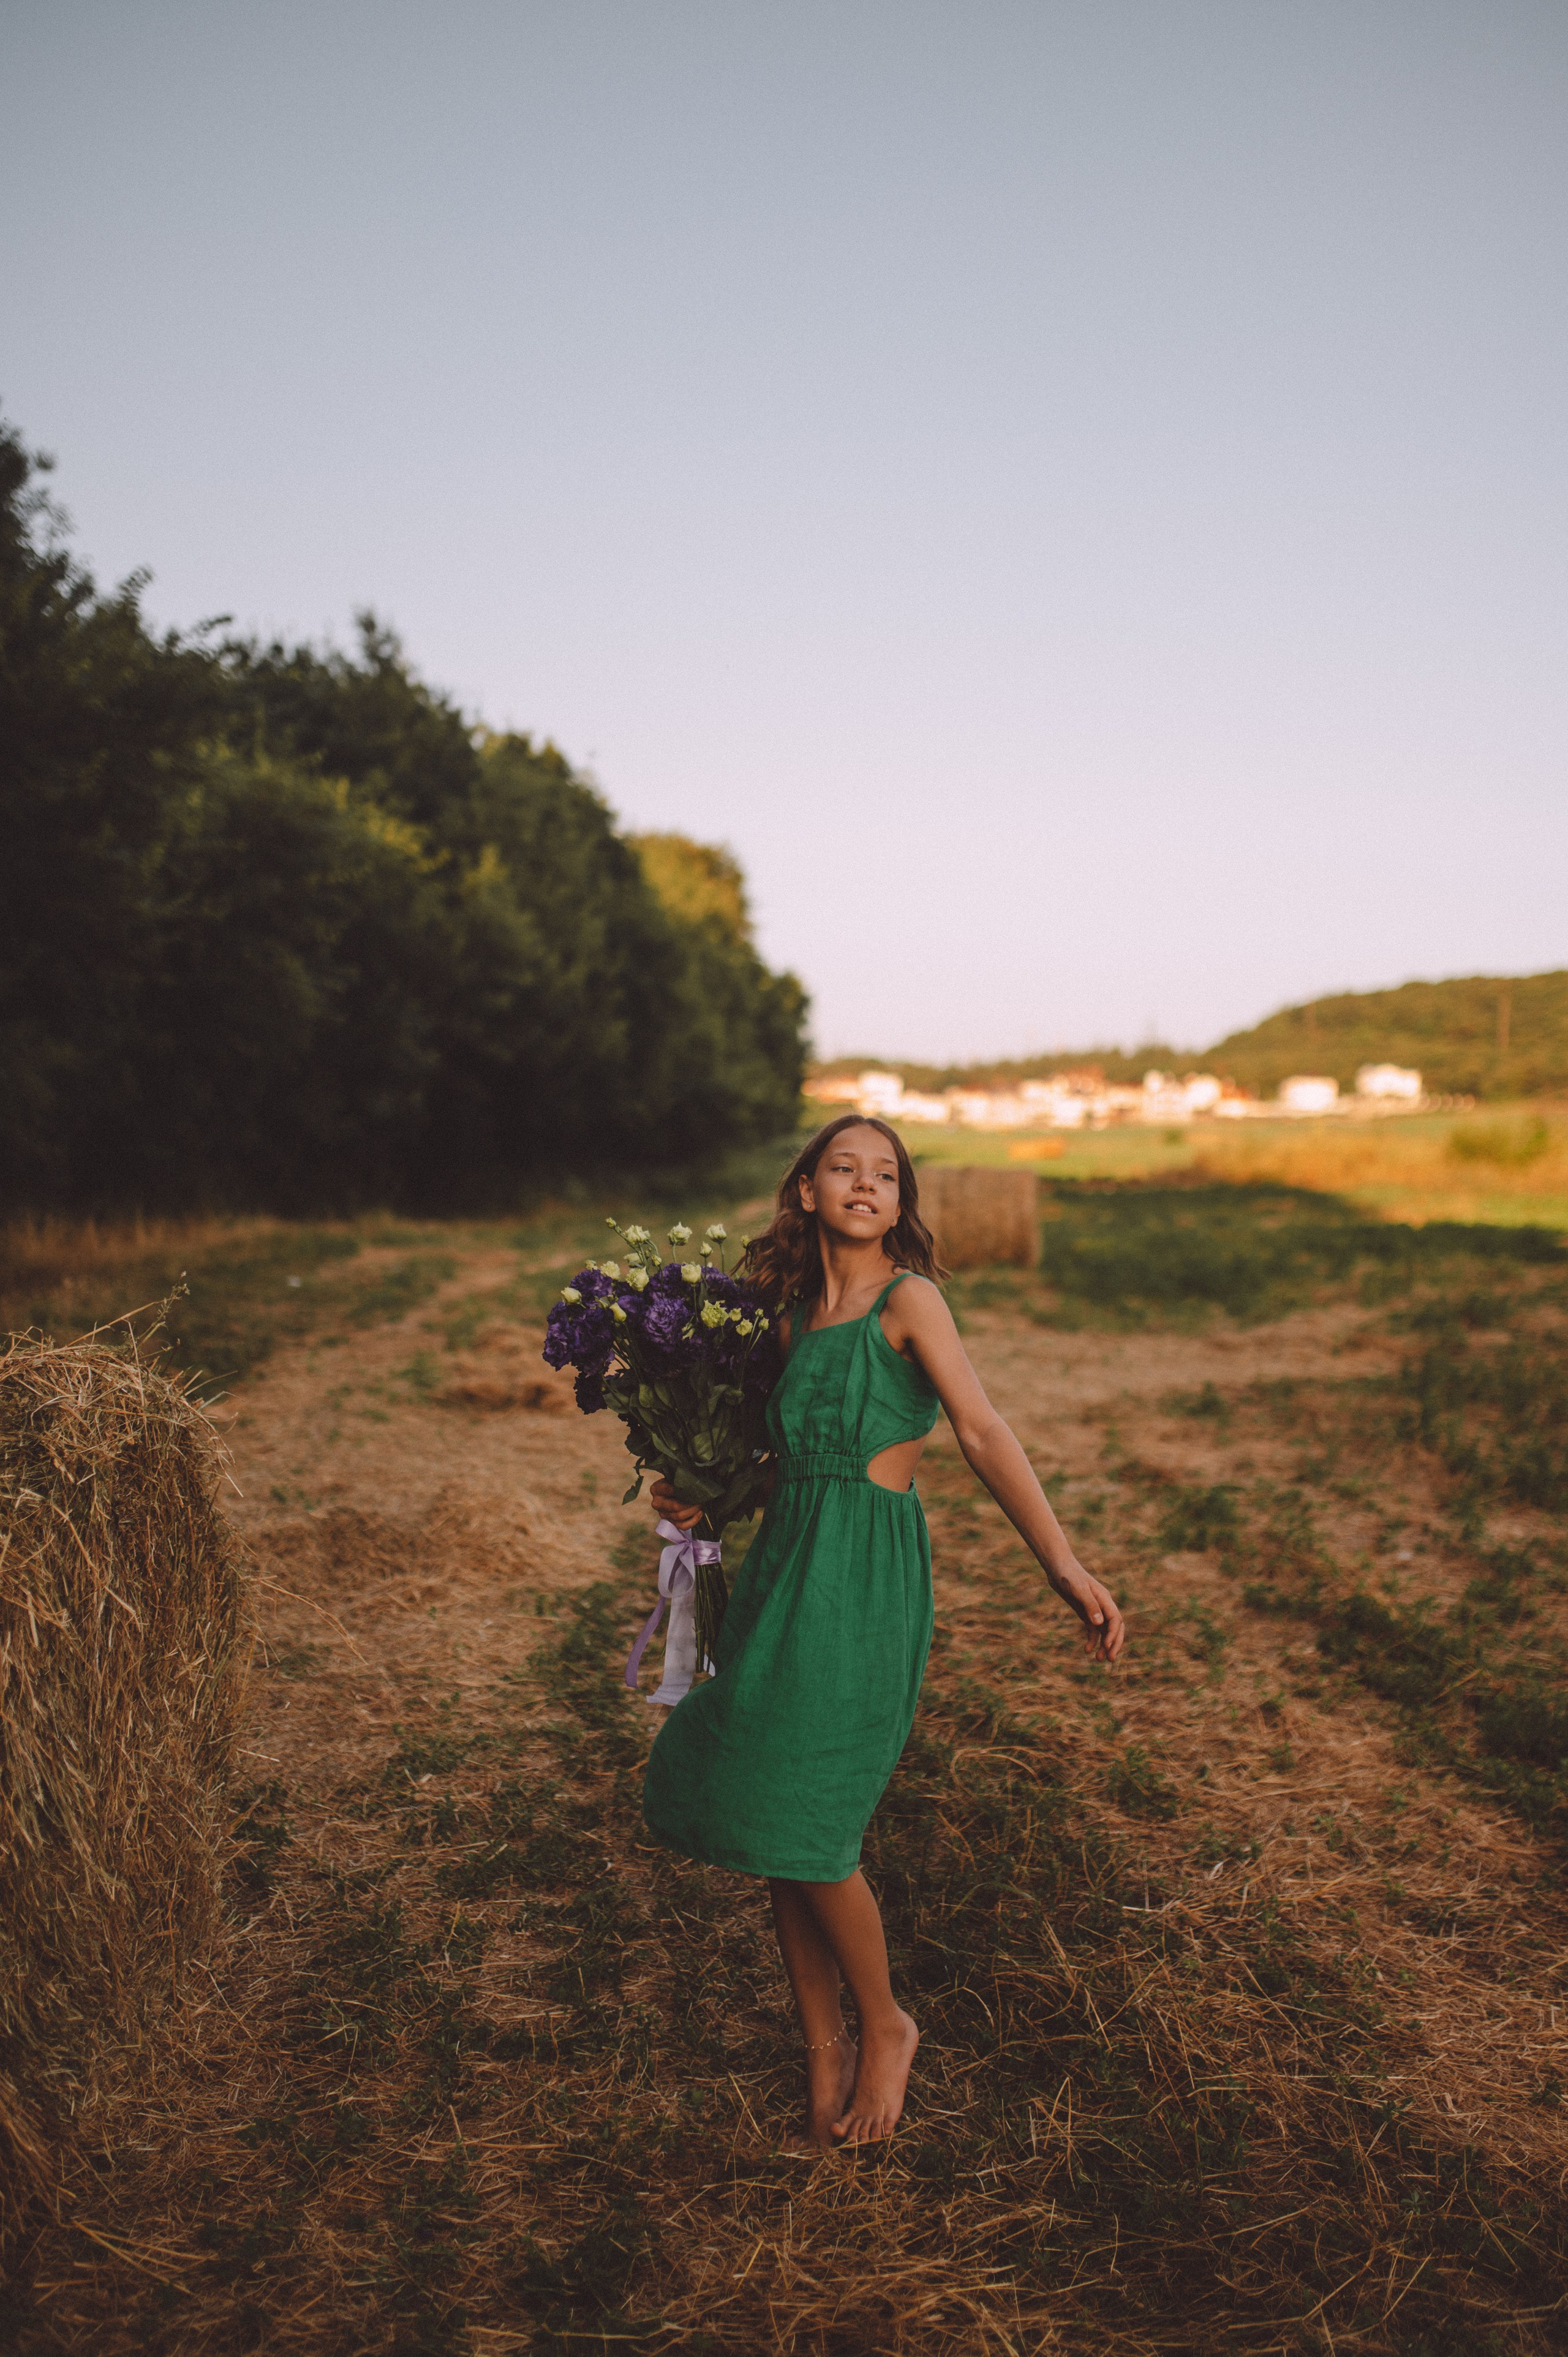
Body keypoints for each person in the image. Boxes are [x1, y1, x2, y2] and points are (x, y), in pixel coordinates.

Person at [641, 1115, 1125, 2152]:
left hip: (862, 1581)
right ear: (807, 1190)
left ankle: (886, 2021)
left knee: (813, 1819)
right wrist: (700, 1497)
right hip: (784, 1571)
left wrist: (1063, 1562)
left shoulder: (912, 1302)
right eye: (843, 1168)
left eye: (887, 1174)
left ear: (901, 1204)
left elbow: (983, 1431)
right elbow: (781, 1461)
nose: (865, 1183)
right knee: (776, 1811)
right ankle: (821, 2047)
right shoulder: (788, 1323)